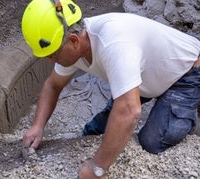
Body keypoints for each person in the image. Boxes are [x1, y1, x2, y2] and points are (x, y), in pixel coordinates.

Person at [21, 0, 200, 178]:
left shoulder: (114, 44)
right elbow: (53, 85)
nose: (51, 61)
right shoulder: (75, 42)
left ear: (73, 41)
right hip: (147, 73)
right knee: (95, 130)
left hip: (186, 72)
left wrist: (97, 167)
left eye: (53, 55)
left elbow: (130, 111)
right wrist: (38, 126)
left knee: (152, 142)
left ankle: (189, 113)